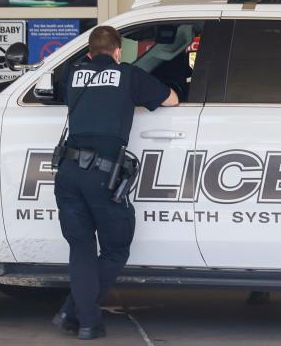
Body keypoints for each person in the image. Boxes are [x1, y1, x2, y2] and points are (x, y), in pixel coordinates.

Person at [52, 25, 178, 340]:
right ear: (118, 52)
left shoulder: (72, 75)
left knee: (80, 247)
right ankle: (78, 314)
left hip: (67, 174)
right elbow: (172, 100)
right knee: (116, 247)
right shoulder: (128, 76)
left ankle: (83, 320)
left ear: (90, 52)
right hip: (102, 176)